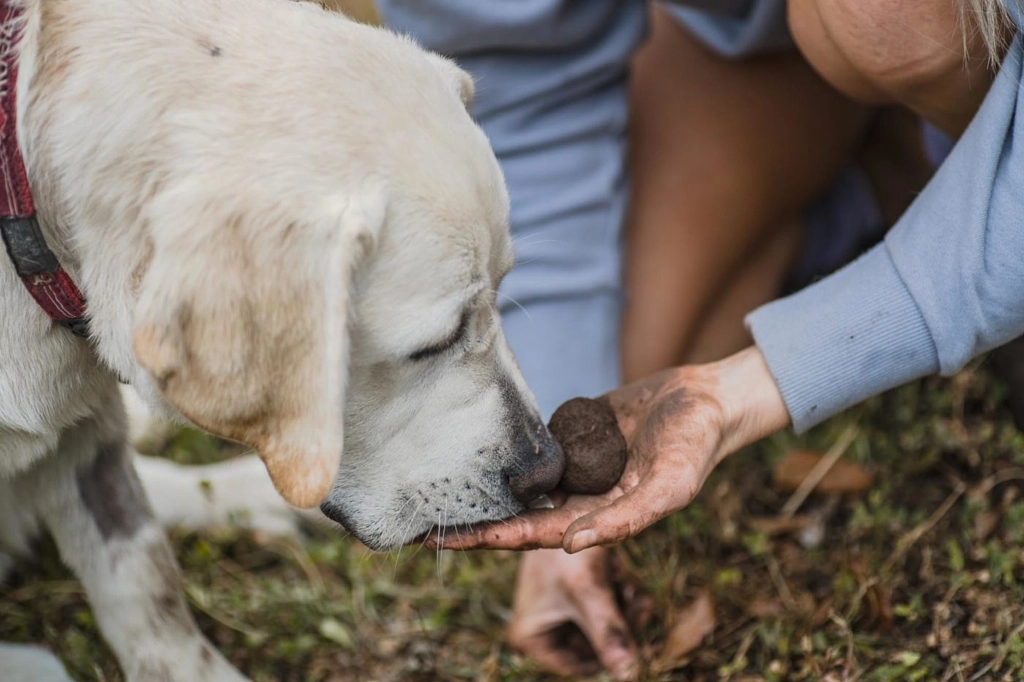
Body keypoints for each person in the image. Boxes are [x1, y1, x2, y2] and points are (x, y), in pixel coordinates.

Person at [379, 0, 1024, 677]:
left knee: (883, 20)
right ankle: (881, 172)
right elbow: (526, 83)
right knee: (632, 367)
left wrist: (764, 377)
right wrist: (557, 493)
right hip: (752, 43)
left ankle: (972, 182)